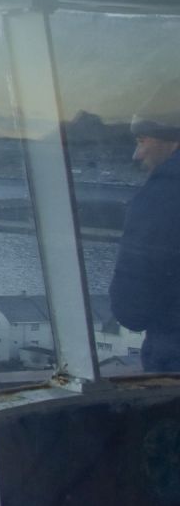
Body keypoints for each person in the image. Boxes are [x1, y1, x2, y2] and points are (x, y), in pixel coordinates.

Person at [110, 80, 180, 372]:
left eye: (142, 140)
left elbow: (132, 308)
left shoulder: (161, 196)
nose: (137, 155)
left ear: (173, 139)